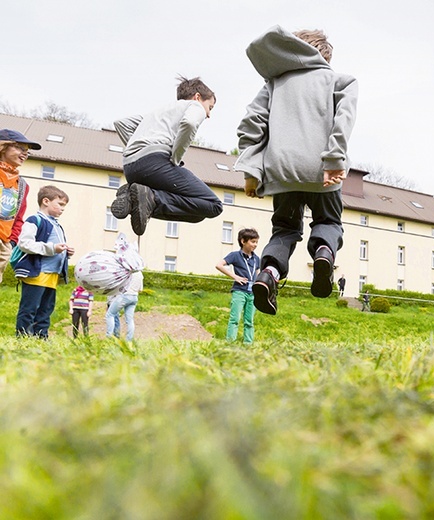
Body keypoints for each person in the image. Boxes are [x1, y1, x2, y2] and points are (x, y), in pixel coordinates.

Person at [235, 26, 358, 315]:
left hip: (283, 173)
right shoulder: (340, 80)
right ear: (325, 56)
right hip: (322, 172)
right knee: (328, 222)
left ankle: (268, 275)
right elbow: (345, 119)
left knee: (285, 230)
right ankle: (323, 253)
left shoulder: (275, 84)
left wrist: (252, 172)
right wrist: (334, 160)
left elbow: (251, 124)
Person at [112, 76, 223, 236]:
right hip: (155, 163)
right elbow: (189, 123)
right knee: (213, 205)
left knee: (197, 214)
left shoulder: (157, 114)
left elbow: (122, 124)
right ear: (197, 97)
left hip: (131, 169)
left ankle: (133, 198)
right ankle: (153, 198)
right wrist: (175, 158)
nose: (208, 115)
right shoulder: (194, 105)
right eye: (210, 107)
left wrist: (138, 148)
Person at [15, 185, 73, 338]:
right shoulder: (34, 220)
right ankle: (23, 338)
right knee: (29, 309)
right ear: (46, 201)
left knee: (46, 310)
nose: (63, 209)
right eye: (60, 204)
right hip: (37, 273)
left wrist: (66, 252)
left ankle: (41, 337)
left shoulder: (56, 224)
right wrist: (53, 248)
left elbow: (55, 248)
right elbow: (25, 243)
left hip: (52, 275)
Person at [0, 129, 39, 283]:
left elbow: (19, 218)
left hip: (3, 244)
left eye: (27, 152)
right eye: (20, 148)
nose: (24, 154)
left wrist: (11, 243)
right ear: (3, 147)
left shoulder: (22, 185)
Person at [215, 228, 260, 344]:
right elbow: (219, 265)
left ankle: (248, 344)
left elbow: (258, 274)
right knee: (235, 319)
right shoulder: (235, 255)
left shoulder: (257, 259)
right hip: (239, 291)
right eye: (252, 241)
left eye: (256, 242)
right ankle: (230, 343)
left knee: (249, 321)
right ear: (243, 241)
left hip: (252, 293)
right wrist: (235, 276)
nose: (255, 245)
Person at [105, 271, 143, 341]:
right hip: (134, 297)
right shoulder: (140, 273)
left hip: (125, 295)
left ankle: (109, 337)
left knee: (110, 314)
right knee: (130, 320)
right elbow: (140, 289)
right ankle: (129, 340)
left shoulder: (127, 271)